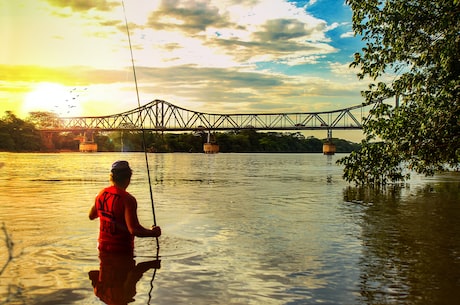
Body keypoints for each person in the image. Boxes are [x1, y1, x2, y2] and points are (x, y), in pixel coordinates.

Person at [89, 160, 161, 255]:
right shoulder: (128, 199)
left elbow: (91, 216)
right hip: (121, 250)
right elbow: (134, 230)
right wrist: (153, 233)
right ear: (129, 177)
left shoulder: (101, 194)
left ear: (112, 177)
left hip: (102, 247)